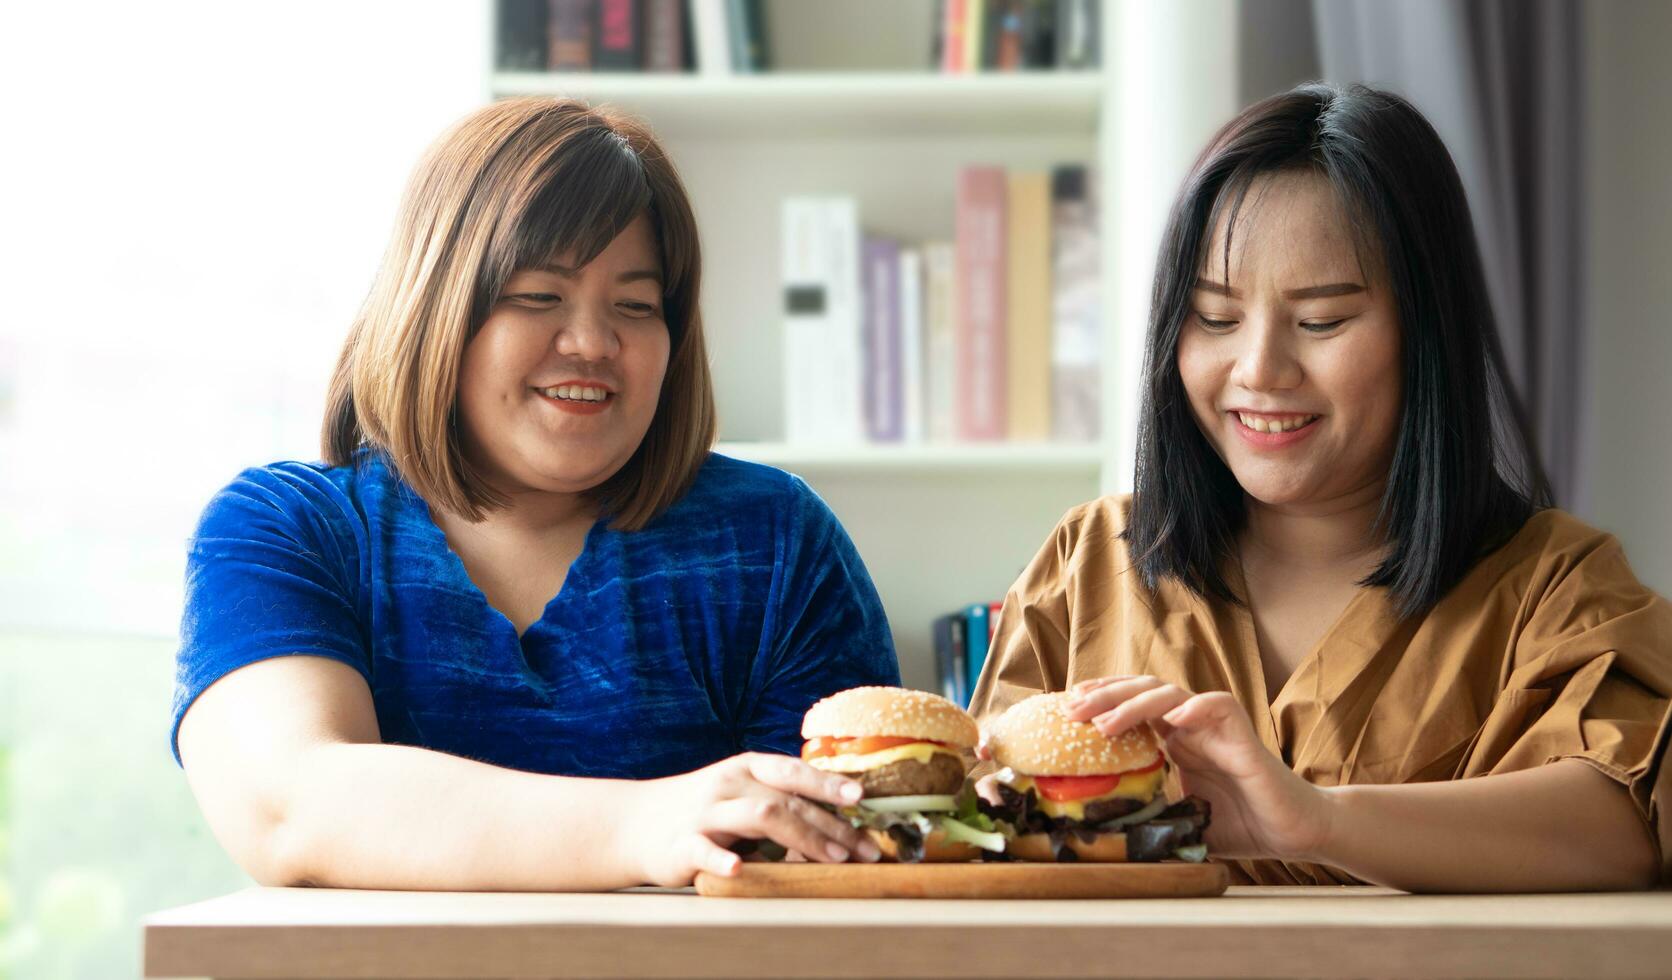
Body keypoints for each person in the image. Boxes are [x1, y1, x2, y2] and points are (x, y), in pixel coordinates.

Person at [172, 97, 896, 891]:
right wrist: (648, 823)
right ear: (436, 306)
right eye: (538, 295)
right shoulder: (286, 531)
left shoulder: (775, 541)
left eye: (635, 305)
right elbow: (290, 808)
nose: (592, 342)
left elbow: (840, 865)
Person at [970, 83, 1669, 892]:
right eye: (1216, 319)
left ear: (1427, 332)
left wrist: (1315, 818)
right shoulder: (1089, 563)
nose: (1259, 371)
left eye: (1322, 322)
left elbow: (1628, 820)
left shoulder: (1557, 585)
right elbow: (980, 816)